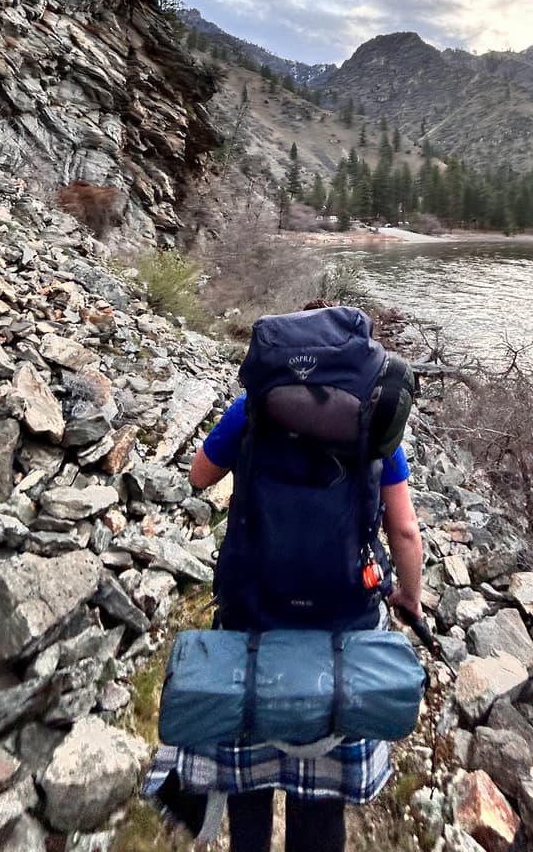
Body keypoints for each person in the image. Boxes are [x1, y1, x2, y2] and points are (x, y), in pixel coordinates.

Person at [144, 307, 423, 852]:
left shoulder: (249, 412)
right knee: (321, 800)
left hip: (252, 614)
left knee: (248, 780)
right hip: (345, 622)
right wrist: (408, 597)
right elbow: (405, 531)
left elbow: (200, 477)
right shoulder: (375, 424)